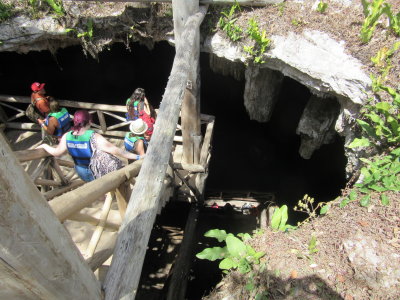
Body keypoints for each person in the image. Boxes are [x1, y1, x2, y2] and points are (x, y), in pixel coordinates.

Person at [37, 110, 143, 182]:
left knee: (93, 185)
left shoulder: (66, 136)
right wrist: (138, 157)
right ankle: (107, 195)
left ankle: (100, 195)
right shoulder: (93, 136)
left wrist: (45, 146)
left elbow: (57, 152)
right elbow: (115, 150)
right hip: (95, 171)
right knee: (109, 178)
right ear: (90, 121)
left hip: (80, 170)